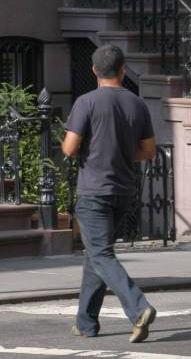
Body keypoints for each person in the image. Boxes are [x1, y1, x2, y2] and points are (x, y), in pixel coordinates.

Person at [62, 44, 158, 343]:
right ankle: (86, 322)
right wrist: (121, 152)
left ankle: (139, 308)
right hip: (124, 190)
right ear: (122, 69)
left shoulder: (86, 102)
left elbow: (69, 147)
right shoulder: (137, 103)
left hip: (94, 190)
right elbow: (149, 151)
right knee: (96, 254)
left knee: (101, 253)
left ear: (93, 71)